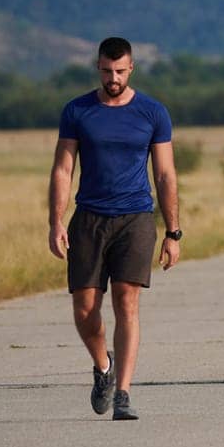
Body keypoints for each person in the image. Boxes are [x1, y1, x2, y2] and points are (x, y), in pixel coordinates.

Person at [48, 36, 180, 420]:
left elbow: (166, 173)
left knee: (127, 301)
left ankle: (123, 392)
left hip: (135, 218)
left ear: (131, 68)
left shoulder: (153, 113)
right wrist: (55, 221)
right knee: (85, 307)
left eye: (120, 72)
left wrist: (173, 232)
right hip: (88, 218)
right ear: (98, 67)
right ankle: (102, 366)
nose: (113, 78)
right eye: (107, 71)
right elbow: (63, 169)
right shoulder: (77, 111)